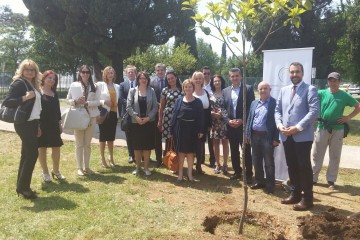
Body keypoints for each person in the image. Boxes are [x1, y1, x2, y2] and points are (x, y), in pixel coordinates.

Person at [275, 62, 319, 211]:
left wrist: (297, 128)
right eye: (292, 72)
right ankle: (295, 194)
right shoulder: (284, 90)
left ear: (303, 73)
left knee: (304, 167)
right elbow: (277, 110)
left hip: (302, 137)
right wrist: (280, 125)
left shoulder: (310, 89)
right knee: (291, 165)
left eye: (297, 72)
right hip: (286, 136)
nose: (294, 75)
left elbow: (314, 112)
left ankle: (307, 199)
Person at [312, 72, 360, 189]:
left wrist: (348, 117)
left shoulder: (344, 95)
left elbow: (358, 106)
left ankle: (331, 180)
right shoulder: (322, 93)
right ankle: (313, 178)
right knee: (317, 154)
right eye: (330, 80)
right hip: (322, 127)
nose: (332, 83)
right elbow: (309, 97)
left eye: (335, 80)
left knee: (335, 155)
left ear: (339, 82)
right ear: (328, 81)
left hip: (337, 129)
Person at [3, 59, 42, 199]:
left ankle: (22, 186)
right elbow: (7, 101)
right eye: (27, 69)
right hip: (23, 123)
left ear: (35, 72)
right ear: (22, 70)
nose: (30, 72)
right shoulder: (19, 83)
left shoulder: (34, 84)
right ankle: (24, 188)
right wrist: (24, 98)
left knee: (26, 154)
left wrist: (38, 126)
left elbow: (36, 108)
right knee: (32, 154)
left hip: (32, 123)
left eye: (32, 70)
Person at [67, 65, 100, 176]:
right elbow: (68, 100)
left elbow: (99, 101)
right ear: (80, 73)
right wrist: (75, 101)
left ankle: (87, 167)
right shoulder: (74, 85)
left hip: (91, 116)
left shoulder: (94, 86)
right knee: (79, 144)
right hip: (79, 116)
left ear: (90, 74)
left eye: (87, 72)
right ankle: (79, 167)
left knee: (87, 144)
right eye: (83, 72)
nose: (85, 74)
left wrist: (87, 103)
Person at [246, 81, 279, 193]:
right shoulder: (254, 103)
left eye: (265, 88)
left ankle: (270, 185)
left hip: (267, 137)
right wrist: (247, 135)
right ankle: (259, 181)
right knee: (256, 160)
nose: (263, 91)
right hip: (254, 136)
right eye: (261, 89)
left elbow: (278, 122)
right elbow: (249, 119)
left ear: (270, 89)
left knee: (269, 162)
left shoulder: (275, 103)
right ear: (258, 90)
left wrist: (276, 138)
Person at [223, 68, 254, 182]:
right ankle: (237, 172)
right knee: (234, 150)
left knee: (246, 151)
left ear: (241, 76)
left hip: (243, 126)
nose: (235, 78)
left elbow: (251, 108)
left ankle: (249, 174)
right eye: (232, 76)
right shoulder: (225, 91)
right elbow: (223, 109)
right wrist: (228, 120)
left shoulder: (248, 89)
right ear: (229, 77)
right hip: (231, 126)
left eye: (237, 76)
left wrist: (242, 120)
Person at [170, 79, 204, 182]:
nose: (188, 88)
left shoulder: (198, 101)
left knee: (190, 153)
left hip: (193, 130)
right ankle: (180, 174)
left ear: (193, 88)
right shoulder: (179, 100)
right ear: (183, 88)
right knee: (180, 152)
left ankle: (189, 174)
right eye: (186, 87)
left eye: (190, 87)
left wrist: (201, 130)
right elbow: (174, 115)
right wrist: (171, 129)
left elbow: (201, 117)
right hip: (180, 129)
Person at [127, 71, 158, 176]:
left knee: (147, 147)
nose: (143, 80)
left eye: (145, 78)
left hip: (148, 122)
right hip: (136, 123)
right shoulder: (132, 91)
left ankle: (146, 168)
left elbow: (155, 107)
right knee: (137, 147)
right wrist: (136, 117)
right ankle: (137, 167)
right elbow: (129, 106)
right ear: (138, 80)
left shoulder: (151, 91)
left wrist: (148, 118)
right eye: (141, 78)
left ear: (148, 80)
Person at [38, 70, 65, 182]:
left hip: (54, 125)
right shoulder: (38, 92)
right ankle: (45, 173)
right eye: (49, 78)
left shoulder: (55, 93)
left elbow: (57, 111)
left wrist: (59, 124)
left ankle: (56, 171)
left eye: (54, 79)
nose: (52, 80)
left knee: (56, 148)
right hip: (41, 125)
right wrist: (37, 126)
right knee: (42, 149)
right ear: (43, 78)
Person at [96, 66, 120, 168]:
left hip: (114, 114)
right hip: (104, 113)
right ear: (105, 74)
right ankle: (102, 158)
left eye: (112, 73)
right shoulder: (100, 85)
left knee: (111, 137)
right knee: (103, 137)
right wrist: (104, 103)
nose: (110, 75)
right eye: (108, 73)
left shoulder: (117, 86)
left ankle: (111, 157)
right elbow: (96, 99)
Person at [158, 71, 183, 155]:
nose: (170, 80)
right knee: (168, 138)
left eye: (172, 78)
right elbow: (161, 107)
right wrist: (160, 120)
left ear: (176, 77)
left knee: (178, 137)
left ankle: (177, 157)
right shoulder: (165, 90)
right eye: (168, 79)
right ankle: (168, 157)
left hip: (179, 117)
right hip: (168, 117)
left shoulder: (182, 89)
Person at [192, 71, 212, 174]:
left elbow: (208, 110)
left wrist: (209, 124)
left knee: (200, 145)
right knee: (191, 145)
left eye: (200, 78)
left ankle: (198, 166)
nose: (198, 80)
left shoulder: (206, 93)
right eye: (196, 78)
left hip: (203, 122)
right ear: (193, 79)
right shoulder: (190, 91)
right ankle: (190, 166)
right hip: (191, 122)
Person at [209, 74, 229, 174]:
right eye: (215, 81)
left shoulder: (226, 93)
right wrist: (212, 113)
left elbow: (229, 106)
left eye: (218, 81)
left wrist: (222, 114)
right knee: (215, 143)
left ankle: (225, 164)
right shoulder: (210, 94)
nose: (217, 82)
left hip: (224, 121)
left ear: (222, 82)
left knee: (225, 143)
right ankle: (218, 164)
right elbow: (208, 108)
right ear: (212, 83)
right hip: (214, 122)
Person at [150, 63, 167, 166]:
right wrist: (159, 105)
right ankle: (158, 159)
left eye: (162, 70)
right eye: (158, 70)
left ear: (165, 71)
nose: (160, 72)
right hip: (157, 112)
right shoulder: (151, 82)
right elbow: (151, 97)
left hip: (169, 112)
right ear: (155, 72)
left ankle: (168, 157)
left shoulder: (170, 81)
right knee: (157, 137)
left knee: (169, 137)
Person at [119, 65, 137, 164]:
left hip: (138, 113)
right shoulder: (122, 85)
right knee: (128, 135)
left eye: (132, 72)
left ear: (136, 73)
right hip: (126, 114)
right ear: (126, 73)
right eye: (129, 72)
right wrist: (131, 105)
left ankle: (141, 155)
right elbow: (121, 98)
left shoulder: (140, 83)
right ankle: (131, 155)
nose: (130, 73)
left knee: (138, 135)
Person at [202, 66, 215, 167]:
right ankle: (201, 159)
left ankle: (212, 160)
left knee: (211, 139)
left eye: (208, 73)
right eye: (204, 73)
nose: (206, 75)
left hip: (212, 116)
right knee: (201, 138)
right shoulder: (198, 85)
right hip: (201, 115)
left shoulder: (213, 85)